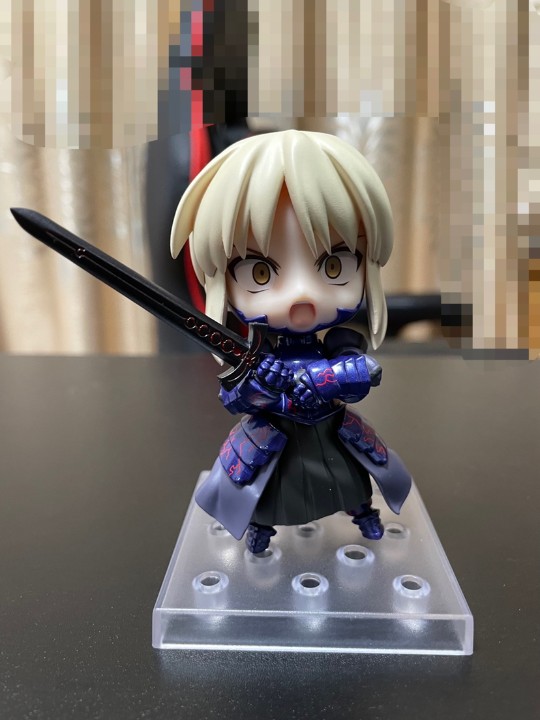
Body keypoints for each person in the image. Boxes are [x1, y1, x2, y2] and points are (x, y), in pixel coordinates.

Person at [170, 129, 411, 554]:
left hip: (330, 430)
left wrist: (323, 378)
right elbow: (234, 397)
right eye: (260, 272)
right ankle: (261, 529)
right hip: (277, 436)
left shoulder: (338, 340)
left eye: (334, 265)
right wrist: (265, 389)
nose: (301, 294)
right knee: (267, 492)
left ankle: (364, 514)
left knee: (351, 479)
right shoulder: (255, 353)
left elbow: (362, 372)